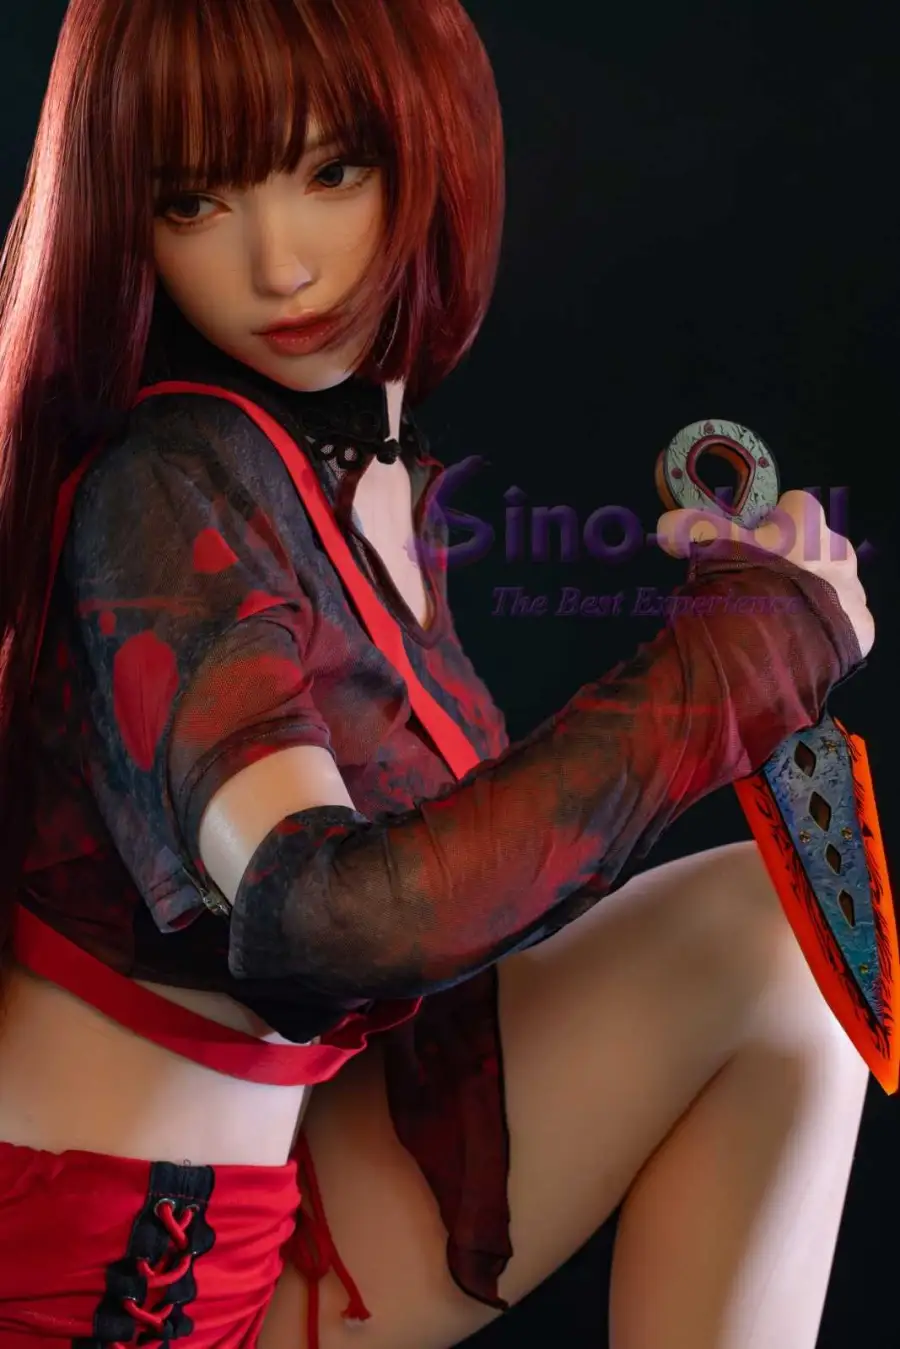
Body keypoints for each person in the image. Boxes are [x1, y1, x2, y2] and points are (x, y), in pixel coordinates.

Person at [0, 1, 875, 1346]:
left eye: (332, 170)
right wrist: (744, 664)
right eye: (195, 201)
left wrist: (747, 650)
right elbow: (316, 922)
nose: (280, 265)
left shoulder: (363, 477)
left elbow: (457, 903)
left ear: (432, 149)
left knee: (773, 947)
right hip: (79, 1291)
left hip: (263, 1228)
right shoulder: (170, 481)